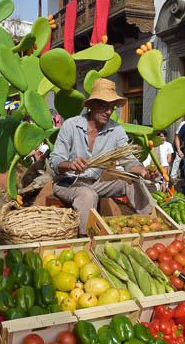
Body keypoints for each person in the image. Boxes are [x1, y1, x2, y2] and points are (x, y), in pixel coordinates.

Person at [50, 78, 155, 234]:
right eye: (104, 106)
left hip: (96, 183)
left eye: (112, 107)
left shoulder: (116, 130)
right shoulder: (71, 125)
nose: (109, 111)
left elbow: (129, 160)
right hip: (68, 183)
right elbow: (55, 160)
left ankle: (153, 222)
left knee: (132, 180)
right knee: (87, 194)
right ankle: (86, 239)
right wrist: (70, 164)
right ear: (91, 105)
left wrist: (142, 171)